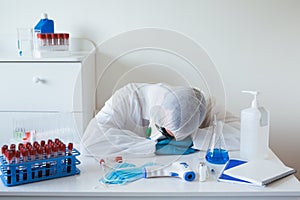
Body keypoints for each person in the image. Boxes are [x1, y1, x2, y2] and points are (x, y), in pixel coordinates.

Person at [81, 83, 240, 159]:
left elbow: (243, 134)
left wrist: (194, 140)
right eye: (165, 132)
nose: (170, 140)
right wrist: (153, 146)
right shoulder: (125, 98)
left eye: (176, 138)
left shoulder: (201, 105)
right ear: (159, 113)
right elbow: (89, 144)